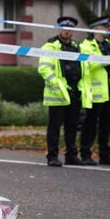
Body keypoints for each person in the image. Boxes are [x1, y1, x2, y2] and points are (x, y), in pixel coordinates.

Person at [38, 16, 92, 167]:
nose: (67, 31)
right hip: (58, 93)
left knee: (72, 126)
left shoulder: (77, 47)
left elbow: (84, 68)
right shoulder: (50, 46)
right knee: (55, 126)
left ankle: (71, 155)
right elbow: (44, 68)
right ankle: (52, 156)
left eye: (70, 29)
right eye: (64, 28)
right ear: (59, 29)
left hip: (75, 91)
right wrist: (57, 84)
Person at [79, 16, 110, 166]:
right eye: (106, 26)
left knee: (107, 124)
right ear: (96, 29)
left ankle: (105, 155)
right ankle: (86, 154)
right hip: (95, 91)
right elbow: (89, 64)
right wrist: (108, 60)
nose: (109, 28)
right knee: (90, 124)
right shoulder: (86, 46)